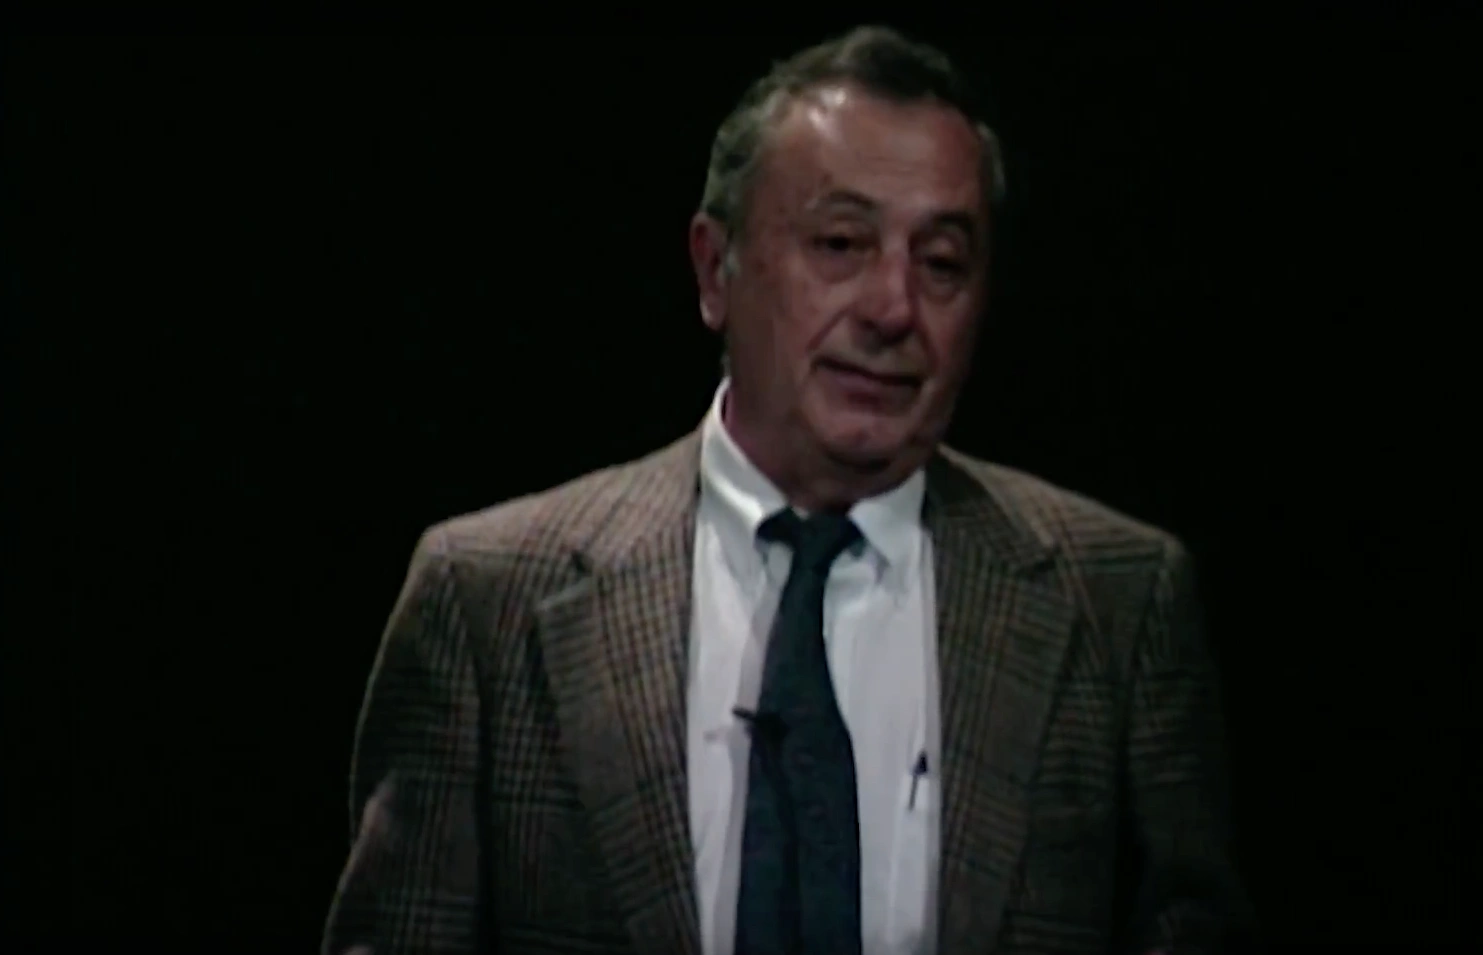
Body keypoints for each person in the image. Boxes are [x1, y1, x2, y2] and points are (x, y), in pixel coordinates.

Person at [322, 25, 1249, 955]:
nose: (893, 309)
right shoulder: (487, 598)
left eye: (942, 263)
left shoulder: (1119, 599)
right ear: (712, 270)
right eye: (840, 242)